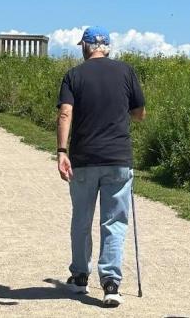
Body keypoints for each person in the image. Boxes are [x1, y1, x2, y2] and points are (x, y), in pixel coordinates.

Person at [56, 26, 146, 307]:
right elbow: (139, 113)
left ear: (85, 46)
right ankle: (111, 283)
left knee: (81, 219)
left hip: (83, 158)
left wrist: (61, 151)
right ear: (107, 46)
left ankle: (80, 276)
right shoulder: (126, 72)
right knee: (114, 221)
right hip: (118, 157)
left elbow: (65, 112)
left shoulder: (74, 75)